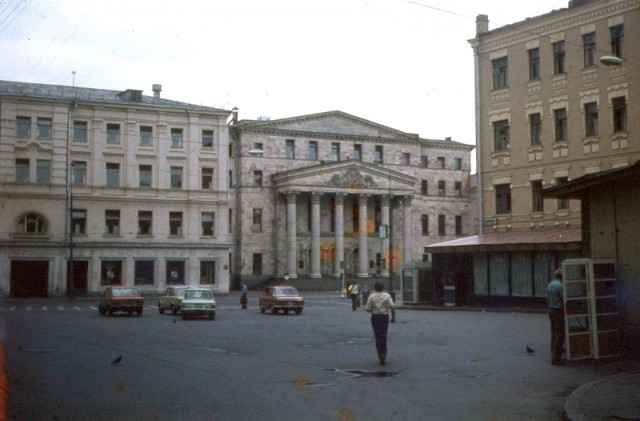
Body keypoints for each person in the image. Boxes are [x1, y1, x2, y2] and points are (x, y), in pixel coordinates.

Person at [365, 281, 395, 366]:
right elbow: (392, 307)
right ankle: (384, 354)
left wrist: (372, 310)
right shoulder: (387, 295)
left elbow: (367, 309)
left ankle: (380, 354)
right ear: (383, 288)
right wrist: (393, 318)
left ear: (375, 288)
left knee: (377, 336)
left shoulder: (371, 296)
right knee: (383, 335)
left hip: (375, 317)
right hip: (384, 317)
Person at [546, 268, 565, 365]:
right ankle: (556, 358)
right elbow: (564, 299)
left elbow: (547, 299)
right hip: (558, 310)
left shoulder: (550, 284)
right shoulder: (560, 286)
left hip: (551, 310)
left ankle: (553, 354)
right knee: (560, 334)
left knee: (553, 333)